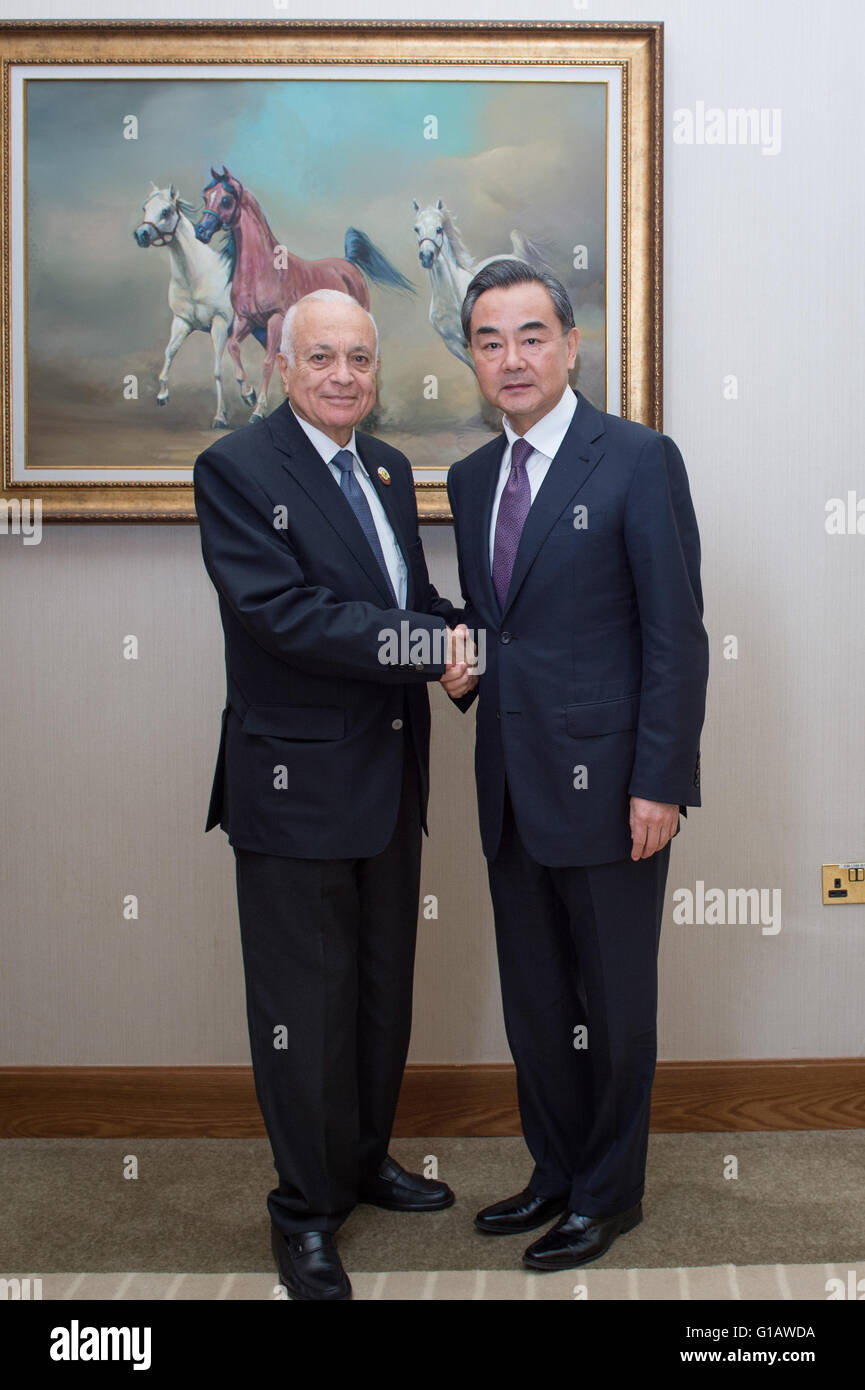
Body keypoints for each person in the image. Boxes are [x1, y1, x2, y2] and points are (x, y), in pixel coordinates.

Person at [194, 288, 473, 1301]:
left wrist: (470, 644)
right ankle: (304, 1212)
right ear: (280, 359)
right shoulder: (235, 469)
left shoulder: (388, 468)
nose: (345, 375)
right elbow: (288, 614)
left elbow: (408, 602)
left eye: (360, 356)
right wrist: (430, 647)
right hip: (294, 786)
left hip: (388, 778)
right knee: (302, 1011)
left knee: (376, 992)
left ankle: (359, 1161)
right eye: (323, 357)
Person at [442, 259, 709, 1270]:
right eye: (490, 340)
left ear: (571, 343)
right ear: (470, 355)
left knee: (614, 1000)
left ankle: (607, 1194)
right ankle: (552, 1172)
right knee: (537, 1002)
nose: (511, 359)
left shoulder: (638, 460)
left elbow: (673, 636)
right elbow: (497, 622)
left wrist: (660, 781)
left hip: (614, 790)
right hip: (511, 782)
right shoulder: (472, 480)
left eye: (531, 336)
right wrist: (460, 659)